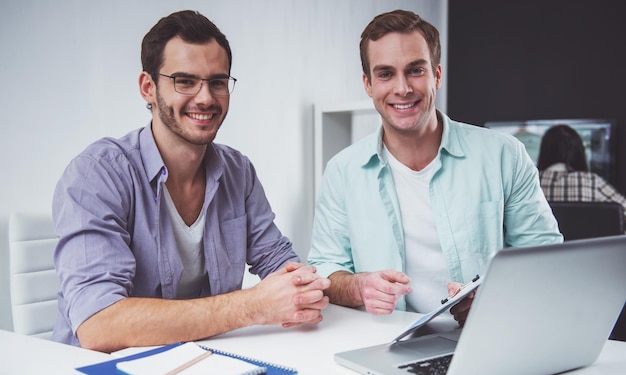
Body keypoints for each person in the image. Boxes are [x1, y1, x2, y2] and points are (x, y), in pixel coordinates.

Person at [52, 10, 330, 352]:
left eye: (217, 81)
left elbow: (282, 267)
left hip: (199, 363)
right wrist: (253, 305)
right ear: (148, 88)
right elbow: (99, 325)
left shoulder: (237, 171)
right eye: (185, 81)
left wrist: (318, 287)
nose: (205, 98)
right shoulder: (97, 174)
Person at [307, 9, 562, 325]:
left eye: (415, 70)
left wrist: (494, 294)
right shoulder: (342, 171)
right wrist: (359, 286)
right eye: (385, 74)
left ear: (437, 75)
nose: (402, 88)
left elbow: (544, 257)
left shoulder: (503, 155)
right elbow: (326, 268)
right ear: (368, 85)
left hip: (487, 332)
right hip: (382, 342)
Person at [537, 124, 626, 220]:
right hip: (592, 235)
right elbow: (623, 208)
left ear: (544, 151)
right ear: (579, 151)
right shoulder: (591, 180)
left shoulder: (534, 180)